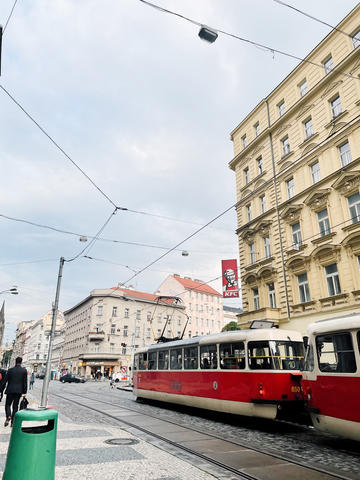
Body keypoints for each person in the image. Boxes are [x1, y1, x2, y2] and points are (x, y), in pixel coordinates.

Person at [0, 357, 27, 427]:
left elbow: (4, 381)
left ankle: (8, 416)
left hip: (10, 390)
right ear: (21, 362)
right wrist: (24, 392)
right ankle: (12, 422)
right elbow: (25, 383)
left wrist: (1, 390)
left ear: (15, 361)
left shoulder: (10, 370)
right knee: (15, 407)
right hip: (18, 392)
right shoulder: (24, 371)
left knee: (8, 405)